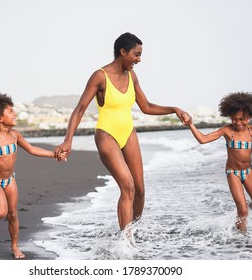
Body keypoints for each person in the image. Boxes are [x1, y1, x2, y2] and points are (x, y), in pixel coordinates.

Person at [54, 32, 191, 232]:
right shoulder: (100, 76)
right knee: (127, 186)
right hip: (106, 134)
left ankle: (132, 232)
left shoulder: (132, 76)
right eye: (136, 54)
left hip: (128, 133)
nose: (139, 59)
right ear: (123, 52)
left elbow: (146, 107)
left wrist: (175, 109)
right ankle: (124, 243)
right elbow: (79, 109)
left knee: (140, 190)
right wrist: (68, 141)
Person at [0, 93, 66, 259]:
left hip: (10, 180)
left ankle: (15, 246)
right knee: (1, 211)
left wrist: (53, 154)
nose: (15, 114)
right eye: (10, 111)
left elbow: (32, 149)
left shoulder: (15, 135)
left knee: (13, 214)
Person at [187, 92, 252, 233]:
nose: (238, 123)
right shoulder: (227, 130)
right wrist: (191, 124)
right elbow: (203, 139)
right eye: (234, 119)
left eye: (242, 119)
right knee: (242, 211)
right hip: (233, 173)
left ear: (250, 117)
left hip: (248, 172)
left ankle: (247, 207)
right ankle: (241, 240)